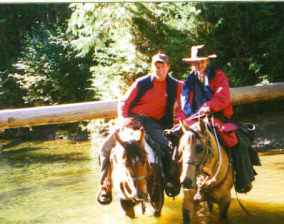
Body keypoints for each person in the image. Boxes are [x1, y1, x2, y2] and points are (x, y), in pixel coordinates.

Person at [169, 44, 260, 193]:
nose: (199, 65)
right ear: (192, 64)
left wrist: (209, 107)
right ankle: (173, 180)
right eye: (196, 63)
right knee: (174, 139)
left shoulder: (219, 76)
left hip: (216, 117)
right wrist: (181, 121)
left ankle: (242, 179)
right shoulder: (187, 83)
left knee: (238, 140)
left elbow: (223, 97)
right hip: (192, 120)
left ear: (207, 62)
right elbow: (181, 107)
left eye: (202, 62)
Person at [97, 53, 183, 205]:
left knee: (166, 145)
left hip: (154, 122)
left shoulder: (176, 85)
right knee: (105, 148)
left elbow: (184, 104)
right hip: (133, 119)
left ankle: (169, 181)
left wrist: (178, 121)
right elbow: (124, 102)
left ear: (168, 67)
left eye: (163, 66)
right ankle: (106, 185)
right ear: (152, 67)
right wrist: (123, 119)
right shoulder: (141, 83)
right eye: (157, 66)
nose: (160, 69)